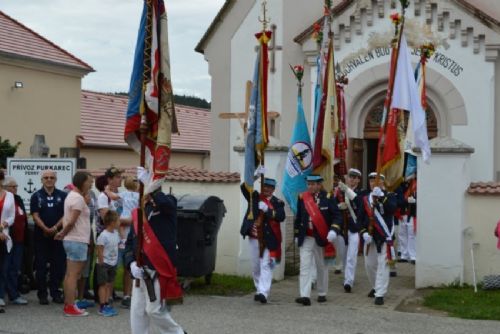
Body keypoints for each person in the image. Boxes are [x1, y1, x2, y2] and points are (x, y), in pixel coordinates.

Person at [125, 175, 186, 334]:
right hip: (140, 268)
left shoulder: (168, 202)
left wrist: (152, 186)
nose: (141, 189)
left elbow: (165, 204)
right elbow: (131, 243)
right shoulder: (139, 212)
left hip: (159, 267)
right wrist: (130, 263)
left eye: (144, 185)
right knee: (137, 313)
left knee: (155, 310)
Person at [294, 175, 341, 306]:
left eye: (312, 184)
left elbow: (337, 216)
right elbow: (298, 217)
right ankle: (305, 295)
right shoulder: (303, 198)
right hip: (307, 237)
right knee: (304, 266)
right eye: (308, 184)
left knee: (321, 266)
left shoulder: (328, 198)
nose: (310, 186)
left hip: (321, 237)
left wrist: (333, 230)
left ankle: (322, 292)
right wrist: (297, 233)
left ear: (319, 185)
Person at [240, 177, 285, 304]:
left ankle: (263, 292)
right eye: (264, 186)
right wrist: (253, 177)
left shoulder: (278, 202)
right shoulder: (254, 197)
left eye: (269, 187)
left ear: (273, 189)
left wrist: (268, 210)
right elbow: (244, 188)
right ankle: (259, 288)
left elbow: (281, 217)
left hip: (269, 239)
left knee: (266, 265)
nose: (266, 189)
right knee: (256, 266)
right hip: (254, 236)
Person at [55, 171, 93, 316]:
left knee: (69, 274)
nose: (91, 184)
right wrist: (62, 233)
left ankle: (69, 304)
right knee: (73, 275)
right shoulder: (78, 199)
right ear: (82, 182)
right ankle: (70, 307)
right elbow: (71, 221)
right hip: (76, 239)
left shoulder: (72, 196)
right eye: (89, 181)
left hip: (73, 239)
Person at [360, 172, 397, 306]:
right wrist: (364, 232)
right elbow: (361, 218)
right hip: (370, 236)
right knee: (369, 264)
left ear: (382, 182)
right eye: (371, 182)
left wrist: (381, 197)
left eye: (376, 181)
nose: (373, 184)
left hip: (384, 235)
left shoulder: (390, 196)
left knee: (383, 264)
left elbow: (392, 209)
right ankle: (376, 286)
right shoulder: (365, 199)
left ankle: (380, 293)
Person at [30, 170, 67, 305]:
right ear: (42, 180)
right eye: (46, 177)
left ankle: (55, 293)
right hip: (41, 236)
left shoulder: (63, 196)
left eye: (52, 177)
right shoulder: (36, 196)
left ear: (56, 179)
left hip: (58, 236)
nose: (49, 179)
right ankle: (42, 294)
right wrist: (45, 228)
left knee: (58, 266)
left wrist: (56, 228)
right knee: (40, 266)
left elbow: (65, 215)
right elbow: (35, 215)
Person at [328, 168, 365, 293]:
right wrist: (338, 206)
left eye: (355, 178)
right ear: (346, 178)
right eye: (350, 177)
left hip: (354, 228)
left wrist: (347, 190)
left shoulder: (361, 193)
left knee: (351, 256)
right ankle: (346, 275)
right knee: (343, 255)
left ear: (358, 180)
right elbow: (332, 207)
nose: (352, 179)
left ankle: (349, 281)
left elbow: (359, 203)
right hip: (341, 228)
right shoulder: (338, 192)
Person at [104, 175, 139, 308]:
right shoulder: (138, 196)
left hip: (122, 224)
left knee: (113, 265)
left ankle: (109, 297)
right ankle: (127, 295)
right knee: (128, 266)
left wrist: (107, 190)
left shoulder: (123, 194)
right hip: (132, 227)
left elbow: (113, 197)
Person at [1, 176, 28, 305]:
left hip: (19, 240)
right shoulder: (5, 199)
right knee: (5, 268)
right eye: (13, 186)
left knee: (15, 268)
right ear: (5, 187)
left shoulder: (17, 199)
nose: (16, 188)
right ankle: (4, 294)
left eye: (16, 186)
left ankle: (14, 294)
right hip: (7, 237)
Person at [95, 210, 120, 317]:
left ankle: (107, 302)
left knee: (109, 284)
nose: (119, 222)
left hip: (112, 263)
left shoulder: (116, 234)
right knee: (103, 284)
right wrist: (101, 262)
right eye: (118, 220)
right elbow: (100, 249)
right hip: (104, 263)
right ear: (112, 222)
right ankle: (102, 306)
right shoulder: (103, 235)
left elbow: (116, 246)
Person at [0, 171, 15, 311]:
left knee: (3, 269)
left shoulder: (10, 195)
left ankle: (0, 297)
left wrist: (4, 225)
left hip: (5, 236)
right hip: (0, 233)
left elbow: (12, 216)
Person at [398, 177, 417, 264]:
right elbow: (399, 198)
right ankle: (404, 255)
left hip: (411, 213)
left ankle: (413, 256)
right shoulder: (401, 186)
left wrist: (414, 201)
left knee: (411, 235)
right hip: (402, 213)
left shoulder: (416, 184)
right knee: (402, 234)